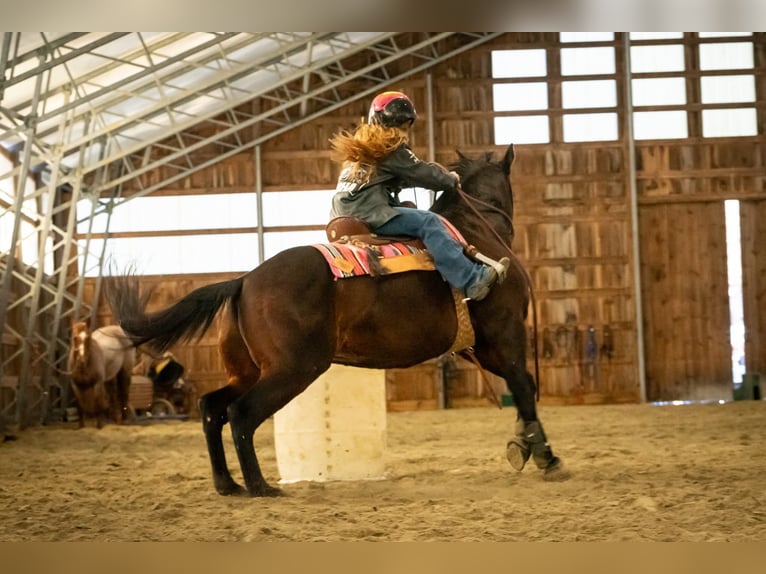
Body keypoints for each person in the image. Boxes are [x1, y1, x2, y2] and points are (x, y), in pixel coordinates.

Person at [329, 90, 509, 301]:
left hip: (341, 214)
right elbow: (420, 172)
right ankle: (471, 279)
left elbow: (392, 177)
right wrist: (449, 179)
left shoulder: (364, 149)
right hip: (369, 212)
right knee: (429, 222)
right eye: (402, 127)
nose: (403, 133)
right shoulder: (390, 147)